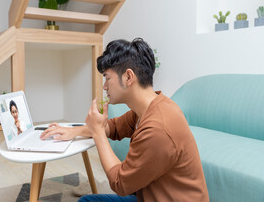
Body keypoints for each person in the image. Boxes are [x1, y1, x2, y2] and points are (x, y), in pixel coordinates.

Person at [40, 38, 209, 202]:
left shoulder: (158, 129)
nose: (105, 86)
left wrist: (97, 132)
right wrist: (73, 131)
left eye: (107, 78)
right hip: (148, 195)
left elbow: (119, 183)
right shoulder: (150, 107)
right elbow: (114, 127)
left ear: (129, 77)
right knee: (88, 200)